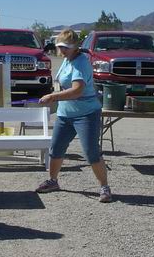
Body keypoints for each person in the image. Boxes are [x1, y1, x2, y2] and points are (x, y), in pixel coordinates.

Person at [35, 29, 112, 203]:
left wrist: (53, 97)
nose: (61, 51)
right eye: (60, 47)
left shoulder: (81, 63)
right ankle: (53, 181)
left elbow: (77, 90)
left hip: (86, 114)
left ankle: (104, 187)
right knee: (56, 149)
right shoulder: (66, 60)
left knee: (91, 152)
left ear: (75, 47)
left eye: (65, 47)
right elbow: (62, 84)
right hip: (65, 114)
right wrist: (54, 94)